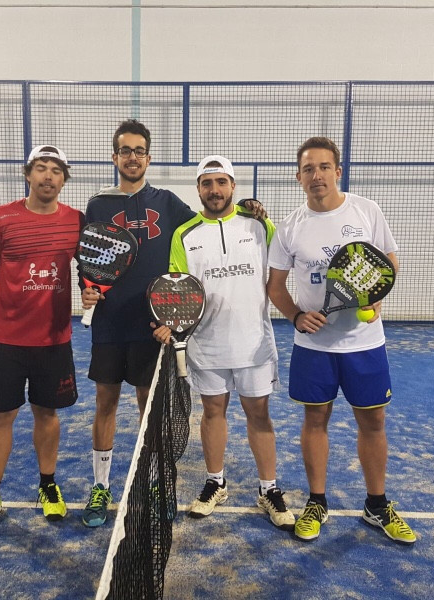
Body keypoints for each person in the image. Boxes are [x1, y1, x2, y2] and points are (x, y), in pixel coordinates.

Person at [80, 120, 264, 528]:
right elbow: (89, 255)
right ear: (114, 157)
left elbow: (209, 220)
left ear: (148, 157)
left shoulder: (167, 202)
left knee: (150, 409)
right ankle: (100, 486)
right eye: (125, 151)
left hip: (153, 326)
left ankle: (156, 482)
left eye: (139, 151)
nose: (132, 157)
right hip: (109, 325)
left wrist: (248, 208)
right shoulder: (97, 205)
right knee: (105, 404)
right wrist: (86, 290)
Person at [266, 136, 416, 545]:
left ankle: (377, 505)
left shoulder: (366, 210)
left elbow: (388, 260)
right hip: (314, 347)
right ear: (298, 177)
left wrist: (377, 293)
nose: (316, 175)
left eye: (323, 167)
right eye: (308, 169)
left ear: (337, 171)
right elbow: (275, 286)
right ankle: (317, 501)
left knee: (373, 421)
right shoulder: (290, 227)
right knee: (315, 420)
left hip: (365, 344)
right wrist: (296, 316)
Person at [154, 155, 295, 531]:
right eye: (207, 183)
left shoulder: (259, 225)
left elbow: (284, 263)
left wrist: (259, 210)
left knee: (259, 414)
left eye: (221, 182)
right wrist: (170, 323)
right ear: (198, 189)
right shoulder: (184, 235)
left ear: (233, 186)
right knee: (212, 412)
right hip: (207, 344)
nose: (214, 190)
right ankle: (215, 482)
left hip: (254, 344)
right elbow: (178, 289)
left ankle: (268, 489)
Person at [0, 145, 84, 537]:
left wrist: (92, 290)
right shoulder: (1, 217)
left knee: (47, 414)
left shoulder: (76, 221)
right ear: (28, 174)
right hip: (7, 339)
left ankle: (48, 485)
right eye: (41, 168)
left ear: (64, 180)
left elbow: (91, 269)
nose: (48, 176)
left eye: (56, 171)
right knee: (1, 417)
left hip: (54, 340)